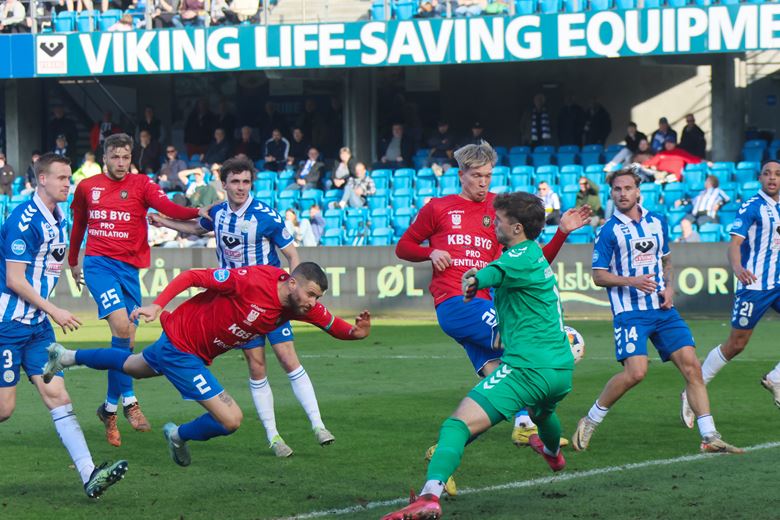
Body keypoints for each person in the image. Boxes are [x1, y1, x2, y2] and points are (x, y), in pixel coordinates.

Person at [395, 142, 591, 494]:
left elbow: (533, 261)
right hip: (457, 301)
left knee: (489, 397)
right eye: (477, 176)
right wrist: (431, 251)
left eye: (488, 176)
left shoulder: (500, 211)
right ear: (461, 175)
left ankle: (445, 460)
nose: (484, 183)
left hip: (486, 304)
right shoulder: (438, 208)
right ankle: (529, 417)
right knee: (531, 347)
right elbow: (403, 247)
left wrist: (561, 231)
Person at [43, 263, 371, 467]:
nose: (314, 303)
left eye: (317, 298)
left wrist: (356, 333)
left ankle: (68, 356)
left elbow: (334, 326)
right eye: (312, 294)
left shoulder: (299, 305)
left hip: (189, 348)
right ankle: (178, 434)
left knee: (132, 365)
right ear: (293, 284)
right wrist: (158, 306)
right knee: (231, 419)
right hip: (181, 349)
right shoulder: (251, 281)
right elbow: (190, 276)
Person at [382, 192, 575, 520]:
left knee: (456, 426)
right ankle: (554, 455)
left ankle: (430, 496)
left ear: (515, 227)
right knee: (543, 414)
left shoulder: (515, 258)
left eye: (498, 220)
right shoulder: (533, 257)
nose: (493, 224)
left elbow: (491, 274)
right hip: (561, 370)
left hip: (527, 369)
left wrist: (472, 280)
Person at [149, 156, 335, 455]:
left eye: (246, 182)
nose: (240, 187)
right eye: (235, 182)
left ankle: (318, 424)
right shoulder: (219, 213)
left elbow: (292, 254)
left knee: (288, 357)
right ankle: (274, 437)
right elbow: (198, 229)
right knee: (257, 364)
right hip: (238, 304)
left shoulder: (266, 216)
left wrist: (293, 290)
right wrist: (163, 221)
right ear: (224, 184)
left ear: (252, 183)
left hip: (272, 301)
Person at [572, 168, 742, 455]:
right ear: (612, 193)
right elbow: (598, 276)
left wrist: (670, 287)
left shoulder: (657, 222)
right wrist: (631, 281)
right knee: (636, 373)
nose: (622, 194)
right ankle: (590, 420)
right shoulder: (608, 231)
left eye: (628, 188)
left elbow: (666, 261)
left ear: (638, 191)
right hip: (630, 313)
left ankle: (709, 436)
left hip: (663, 311)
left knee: (692, 367)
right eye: (617, 190)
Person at [0, 153, 128, 498]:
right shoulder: (23, 221)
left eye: (68, 178)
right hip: (8, 326)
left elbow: (55, 260)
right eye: (60, 178)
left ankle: (90, 475)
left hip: (38, 329)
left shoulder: (58, 218)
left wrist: (72, 268)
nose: (66, 184)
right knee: (4, 409)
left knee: (58, 395)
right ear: (41, 179)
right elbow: (14, 279)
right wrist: (56, 310)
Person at [69, 133, 207, 448]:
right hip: (99, 265)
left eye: (125, 157)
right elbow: (79, 225)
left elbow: (169, 207)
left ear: (131, 158)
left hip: (129, 270)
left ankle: (108, 408)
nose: (120, 163)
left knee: (127, 341)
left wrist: (198, 211)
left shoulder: (142, 185)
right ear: (104, 157)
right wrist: (74, 260)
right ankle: (129, 402)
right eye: (115, 157)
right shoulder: (88, 188)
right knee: (120, 326)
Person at [679, 160, 780, 423]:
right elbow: (734, 243)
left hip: (777, 283)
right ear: (759, 178)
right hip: (753, 285)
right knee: (736, 344)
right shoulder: (752, 207)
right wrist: (737, 267)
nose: (772, 178)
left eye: (778, 174)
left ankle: (775, 378)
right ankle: (691, 391)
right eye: (767, 173)